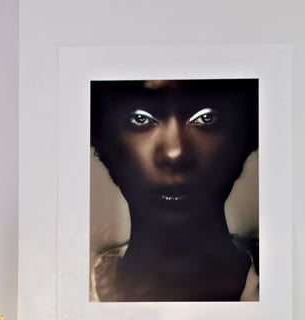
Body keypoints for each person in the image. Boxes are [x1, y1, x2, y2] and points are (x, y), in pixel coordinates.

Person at [90, 78, 259, 303]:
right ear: (102, 141)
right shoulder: (66, 296)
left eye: (207, 118)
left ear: (246, 137)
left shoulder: (290, 285)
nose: (175, 152)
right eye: (140, 118)